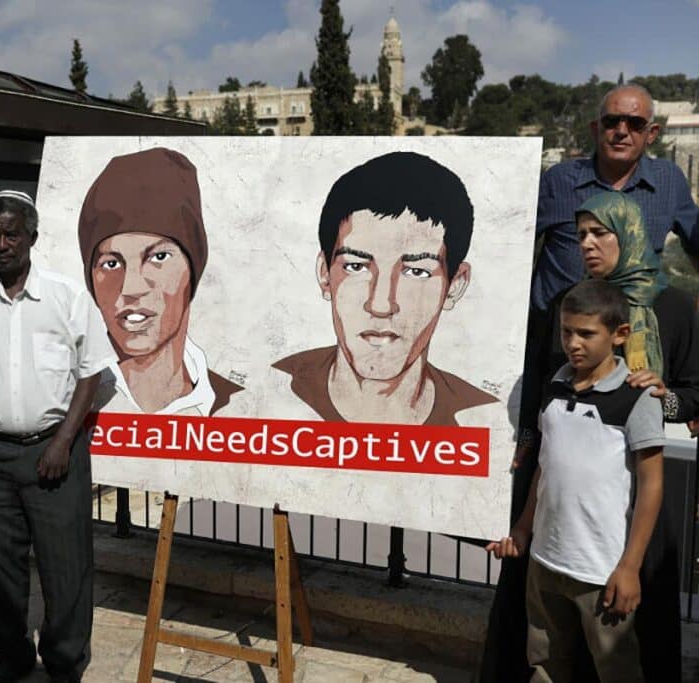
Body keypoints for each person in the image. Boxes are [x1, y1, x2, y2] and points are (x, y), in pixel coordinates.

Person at [482, 192, 699, 683]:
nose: (587, 245)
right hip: (562, 515)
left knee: (624, 643)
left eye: (599, 233)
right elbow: (545, 382)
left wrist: (660, 397)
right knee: (550, 645)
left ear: (628, 234)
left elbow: (693, 394)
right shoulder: (571, 302)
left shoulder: (673, 306)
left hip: (637, 493)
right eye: (580, 235)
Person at [0, 190, 115, 683]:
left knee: (65, 570)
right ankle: (12, 655)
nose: (2, 244)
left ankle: (64, 662)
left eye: (12, 234)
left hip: (54, 450)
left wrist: (63, 441)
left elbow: (90, 374)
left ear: (32, 238)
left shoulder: (66, 296)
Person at [488, 278, 665, 683]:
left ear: (619, 334)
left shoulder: (636, 399)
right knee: (546, 663)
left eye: (586, 333)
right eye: (567, 331)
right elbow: (545, 467)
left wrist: (629, 567)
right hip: (545, 563)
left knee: (616, 669)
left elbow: (652, 487)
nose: (574, 342)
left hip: (600, 571)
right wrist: (522, 528)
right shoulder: (554, 386)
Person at [272, 151, 497, 426]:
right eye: (356, 267)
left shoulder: (484, 422)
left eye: (416, 272)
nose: (381, 304)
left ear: (455, 285)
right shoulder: (269, 393)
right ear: (324, 274)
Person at [77, 147, 242, 416]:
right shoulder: (68, 394)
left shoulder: (234, 406)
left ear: (193, 267)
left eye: (158, 257)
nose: (131, 288)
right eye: (111, 263)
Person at [531, 83, 699, 313]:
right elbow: (513, 247)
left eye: (635, 123)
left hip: (632, 334)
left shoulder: (668, 181)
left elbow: (695, 243)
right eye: (611, 122)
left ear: (651, 134)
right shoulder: (558, 180)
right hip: (557, 333)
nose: (621, 131)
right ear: (595, 129)